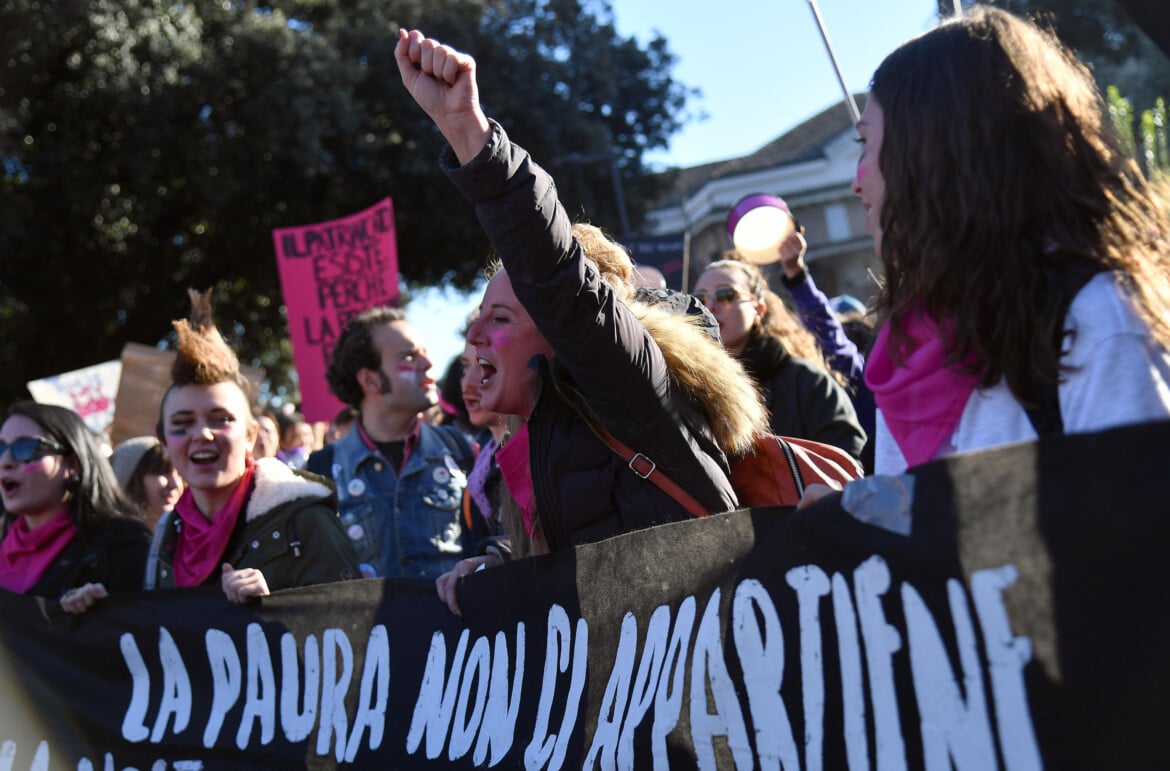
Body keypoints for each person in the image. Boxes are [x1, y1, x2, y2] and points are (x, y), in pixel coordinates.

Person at [394, 29, 768, 614]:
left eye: (499, 317)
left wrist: (467, 130)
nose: (473, 338)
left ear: (559, 331)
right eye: (478, 318)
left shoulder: (631, 389)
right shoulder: (533, 441)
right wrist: (505, 561)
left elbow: (556, 276)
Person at [852, 7, 1170, 475]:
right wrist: (850, 506)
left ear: (938, 152)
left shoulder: (1099, 323)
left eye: (865, 143)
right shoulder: (910, 348)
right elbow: (908, 512)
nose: (857, 182)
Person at [149, 290, 360, 600]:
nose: (203, 434)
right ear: (164, 442)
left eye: (221, 419)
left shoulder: (306, 521)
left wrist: (277, 608)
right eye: (182, 424)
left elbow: (353, 621)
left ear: (250, 436)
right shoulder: (166, 534)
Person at [309, 305, 473, 580]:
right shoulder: (323, 470)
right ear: (370, 380)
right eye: (409, 356)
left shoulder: (460, 449)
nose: (427, 363)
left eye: (424, 352)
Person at [694, 256, 867, 462]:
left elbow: (848, 460)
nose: (710, 306)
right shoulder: (688, 387)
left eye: (725, 294)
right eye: (700, 299)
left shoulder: (806, 381)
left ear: (759, 309)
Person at [0, 402, 150, 612]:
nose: (5, 462)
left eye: (25, 448)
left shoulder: (122, 544)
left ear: (72, 465)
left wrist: (103, 611)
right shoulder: (4, 540)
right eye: (1, 449)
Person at [109, 435, 183, 531]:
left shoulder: (189, 537)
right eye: (162, 472)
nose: (175, 484)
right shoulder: (108, 538)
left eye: (180, 474)